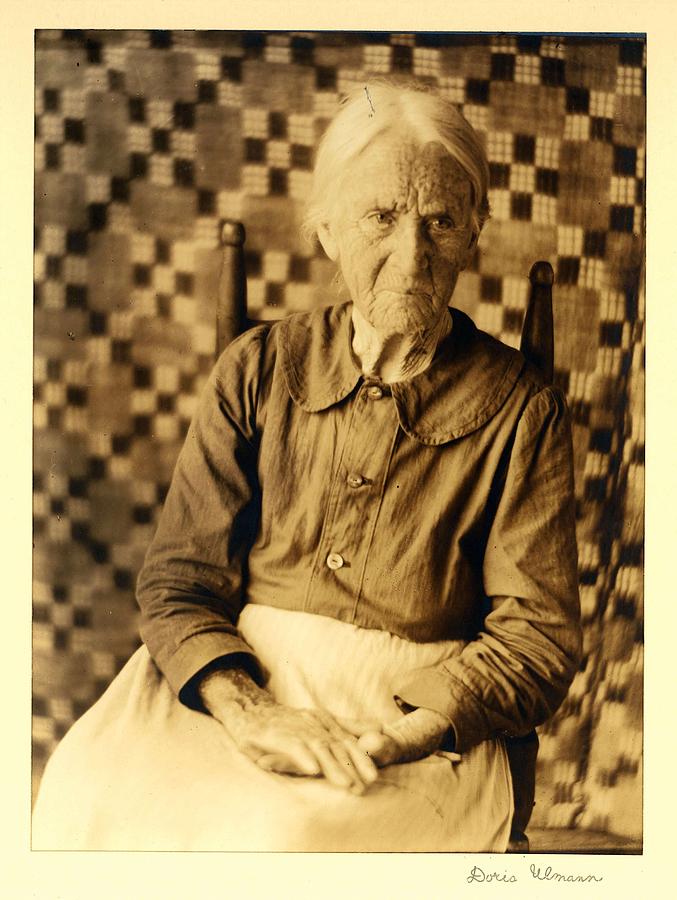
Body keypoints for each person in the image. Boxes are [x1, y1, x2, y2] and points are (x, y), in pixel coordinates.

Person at [33, 81, 581, 852]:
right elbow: (178, 581)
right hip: (234, 680)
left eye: (440, 221)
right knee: (81, 792)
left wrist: (411, 734)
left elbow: (537, 639)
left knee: (279, 838)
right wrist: (248, 708)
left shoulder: (522, 409)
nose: (411, 256)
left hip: (413, 714)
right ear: (326, 229)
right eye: (379, 217)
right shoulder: (258, 368)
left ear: (474, 232)